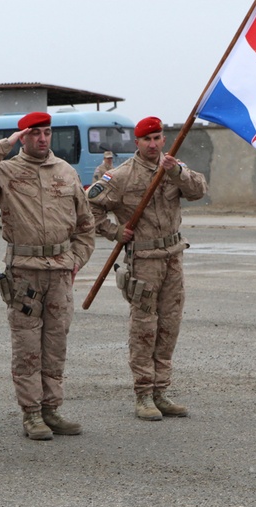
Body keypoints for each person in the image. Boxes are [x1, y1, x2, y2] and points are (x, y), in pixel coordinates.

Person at [0, 111, 95, 441]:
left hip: (59, 272)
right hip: (25, 272)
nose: (42, 138)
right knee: (27, 346)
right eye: (34, 133)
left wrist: (76, 261)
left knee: (55, 344)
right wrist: (6, 143)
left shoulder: (66, 172)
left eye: (46, 132)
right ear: (23, 137)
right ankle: (31, 413)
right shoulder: (6, 171)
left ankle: (52, 409)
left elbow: (86, 227)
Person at [87, 116, 207, 420]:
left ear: (163, 140)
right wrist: (115, 231)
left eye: (157, 138)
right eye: (146, 140)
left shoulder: (173, 168)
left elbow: (198, 190)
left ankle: (161, 391)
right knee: (145, 326)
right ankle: (143, 393)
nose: (153, 145)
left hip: (173, 256)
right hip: (144, 261)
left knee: (170, 324)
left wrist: (177, 172)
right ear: (136, 143)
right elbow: (90, 208)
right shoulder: (122, 175)